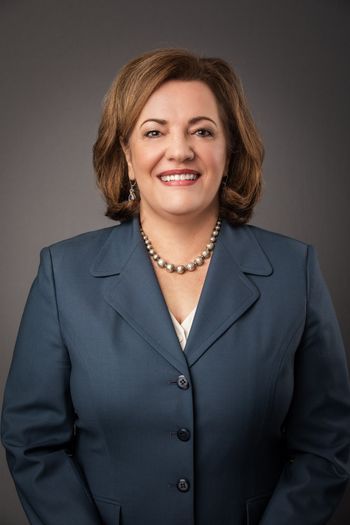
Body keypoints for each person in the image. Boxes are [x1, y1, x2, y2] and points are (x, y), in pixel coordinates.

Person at [1, 48, 350, 525]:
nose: (180, 150)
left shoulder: (295, 271)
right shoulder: (64, 273)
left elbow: (327, 442)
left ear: (229, 153)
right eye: (154, 132)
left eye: (203, 131)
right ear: (126, 154)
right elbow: (33, 441)